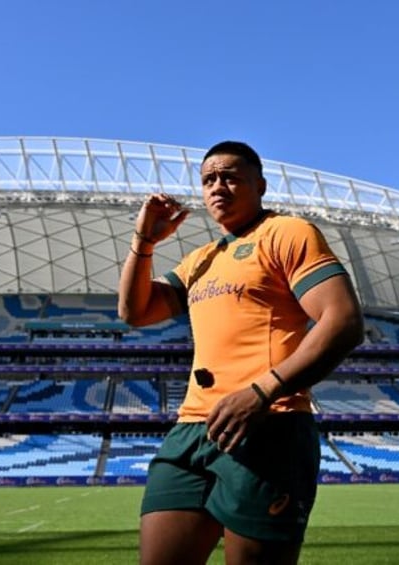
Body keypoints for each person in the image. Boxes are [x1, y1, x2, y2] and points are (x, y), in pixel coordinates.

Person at [117, 141, 364, 565]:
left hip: (270, 425)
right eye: (209, 179)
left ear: (260, 184)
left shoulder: (287, 232)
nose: (218, 187)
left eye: (230, 176)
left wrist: (263, 391)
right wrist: (144, 241)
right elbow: (134, 311)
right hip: (192, 430)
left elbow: (342, 320)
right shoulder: (201, 259)